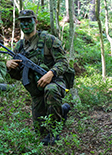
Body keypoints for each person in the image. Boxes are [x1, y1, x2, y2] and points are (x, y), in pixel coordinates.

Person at [6, 10, 70, 146]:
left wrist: (51, 73)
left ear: (35, 21)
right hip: (36, 88)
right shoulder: (20, 46)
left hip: (55, 81)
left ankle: (54, 132)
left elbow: (64, 62)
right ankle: (62, 110)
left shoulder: (48, 40)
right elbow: (18, 75)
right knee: (40, 132)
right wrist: (10, 66)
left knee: (51, 90)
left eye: (29, 21)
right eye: (22, 21)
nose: (26, 24)